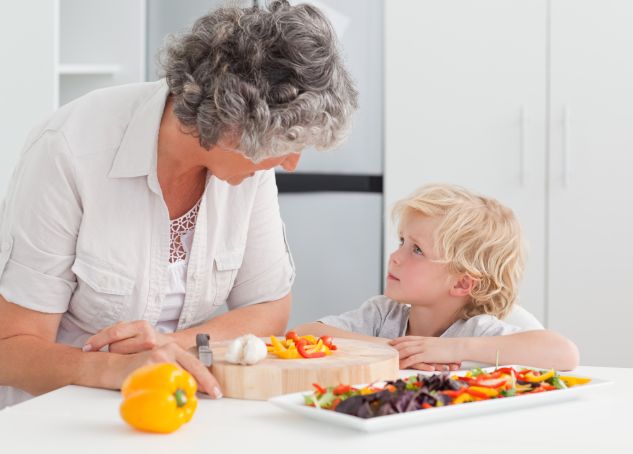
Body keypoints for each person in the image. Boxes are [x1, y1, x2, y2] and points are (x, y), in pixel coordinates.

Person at [0, 0, 357, 407]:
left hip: (175, 406)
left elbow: (268, 308)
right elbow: (11, 349)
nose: (291, 163)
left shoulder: (249, 169)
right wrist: (113, 370)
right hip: (55, 417)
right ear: (229, 122)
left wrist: (171, 347)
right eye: (287, 145)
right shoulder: (70, 149)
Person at [294, 184, 579, 372]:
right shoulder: (383, 315)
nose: (395, 256)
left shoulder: (474, 331)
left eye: (417, 249)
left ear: (462, 283)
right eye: (401, 241)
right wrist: (394, 351)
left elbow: (563, 353)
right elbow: (306, 334)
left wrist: (449, 349)